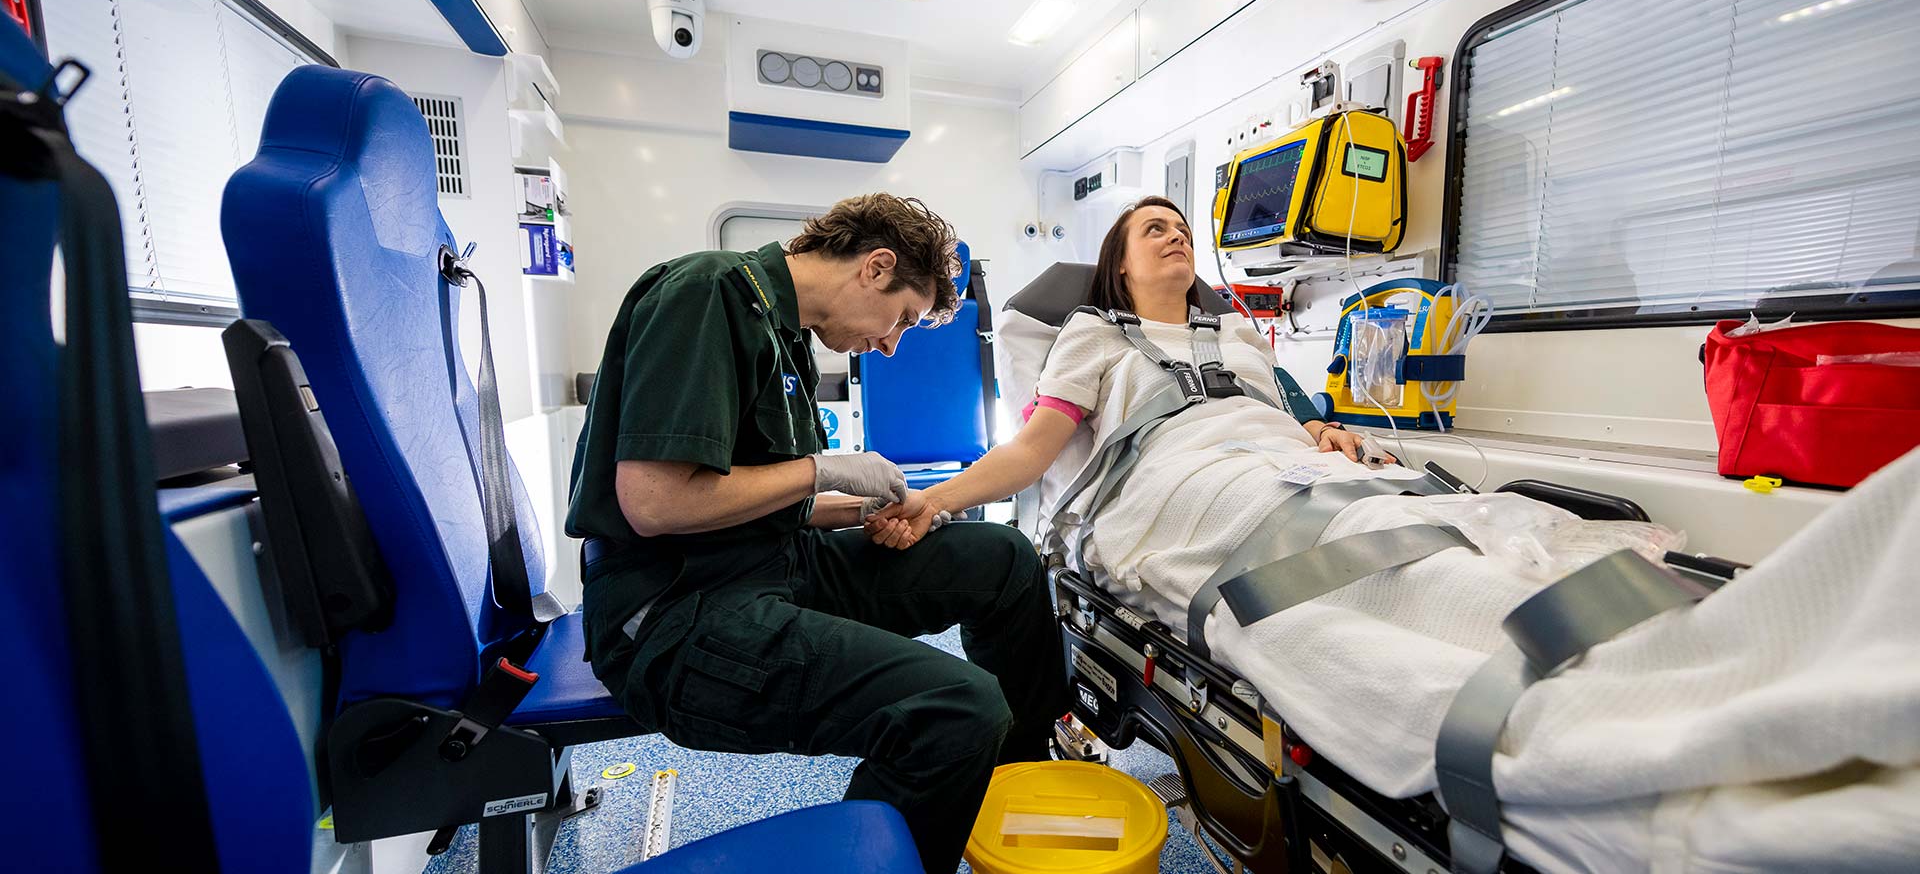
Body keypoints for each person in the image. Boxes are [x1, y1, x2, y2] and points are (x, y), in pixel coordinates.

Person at [566, 194, 1068, 873]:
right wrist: (816, 470)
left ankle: (1011, 777)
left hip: (772, 564)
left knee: (1002, 557)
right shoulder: (706, 292)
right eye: (901, 319)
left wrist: (861, 508)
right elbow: (655, 503)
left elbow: (748, 499)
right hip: (677, 615)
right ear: (875, 266)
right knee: (955, 708)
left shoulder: (784, 334)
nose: (891, 345)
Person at [868, 195, 1384, 549]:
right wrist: (932, 500)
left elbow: (1290, 406)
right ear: (1119, 262)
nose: (1176, 237)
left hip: (1293, 466)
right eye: (1155, 230)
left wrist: (1323, 430)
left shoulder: (1238, 333)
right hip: (1195, 478)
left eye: (1182, 230)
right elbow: (1031, 451)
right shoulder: (1093, 334)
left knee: (1392, 506)